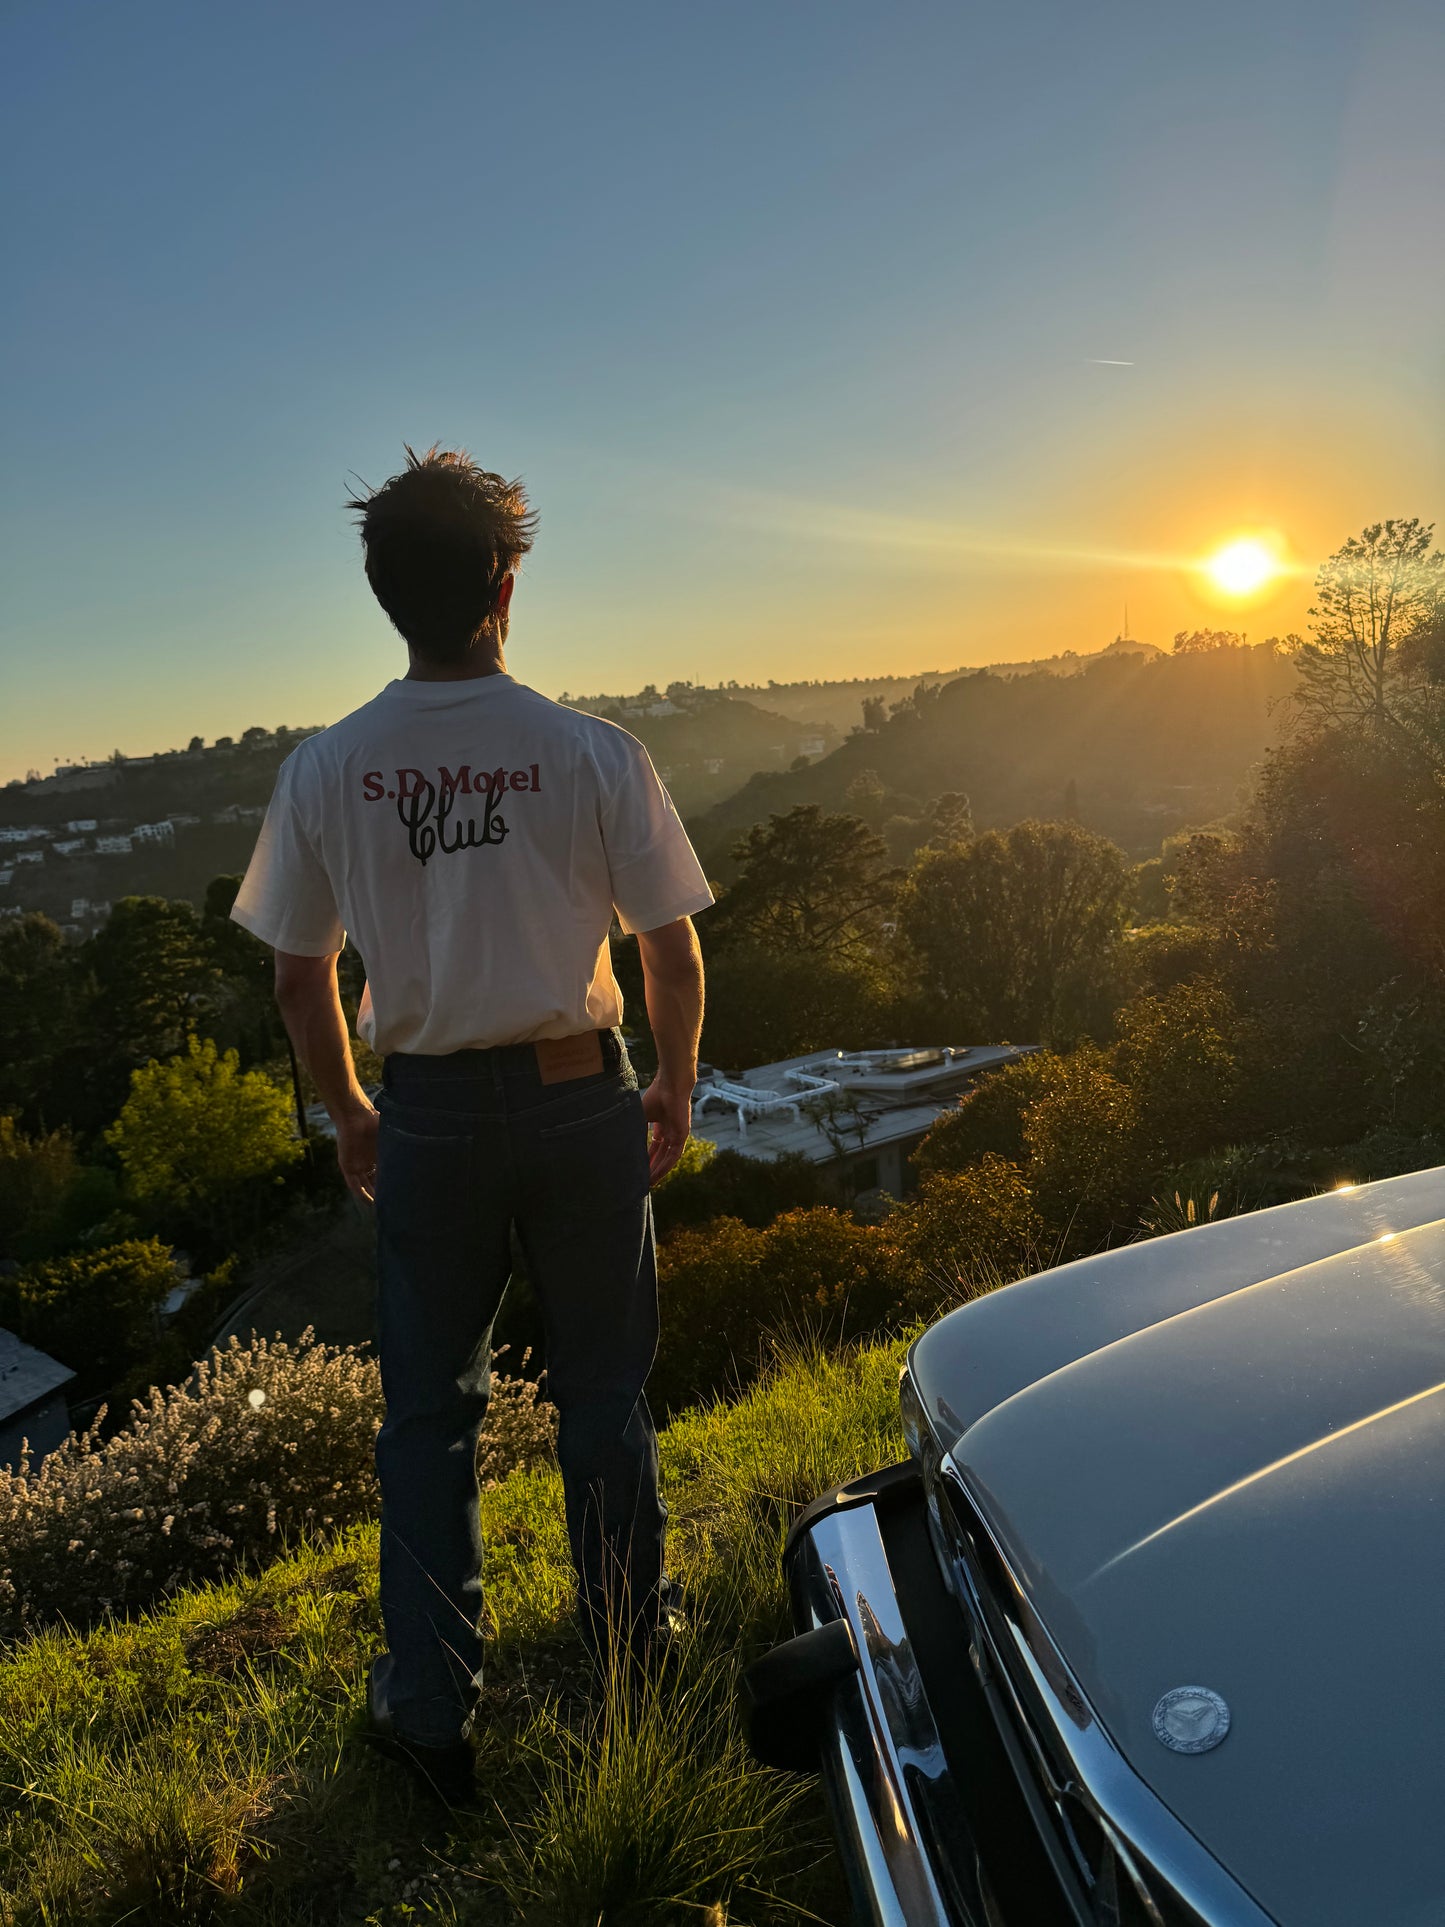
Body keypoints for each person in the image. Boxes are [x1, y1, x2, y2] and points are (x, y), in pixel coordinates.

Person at [230, 444, 711, 1805]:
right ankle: (628, 1645)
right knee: (604, 1393)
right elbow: (667, 948)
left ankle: (431, 1712)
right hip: (578, 1101)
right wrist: (672, 1079)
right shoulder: (590, 752)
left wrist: (351, 1113)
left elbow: (294, 970)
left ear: (385, 592)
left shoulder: (328, 769)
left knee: (427, 1419)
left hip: (428, 1116)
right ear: (505, 588)